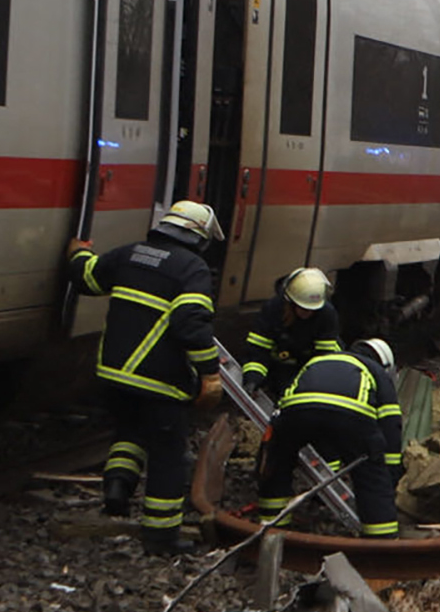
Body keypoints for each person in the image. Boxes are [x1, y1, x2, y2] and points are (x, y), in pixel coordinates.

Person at [64, 202, 225, 555]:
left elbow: (87, 278)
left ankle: (117, 488)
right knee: (168, 455)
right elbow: (190, 323)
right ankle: (161, 536)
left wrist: (78, 253)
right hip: (159, 380)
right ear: (199, 237)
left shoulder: (129, 253)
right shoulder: (192, 268)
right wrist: (210, 373)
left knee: (129, 432)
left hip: (114, 373)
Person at [264, 335, 405, 539]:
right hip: (351, 416)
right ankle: (381, 540)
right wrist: (389, 472)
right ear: (385, 365)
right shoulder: (375, 370)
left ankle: (271, 530)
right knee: (371, 478)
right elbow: (390, 425)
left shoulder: (318, 361)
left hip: (296, 412)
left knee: (278, 461)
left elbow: (307, 407)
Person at [238, 267, 344, 402]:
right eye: (303, 308)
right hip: (279, 364)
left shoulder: (326, 315)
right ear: (291, 302)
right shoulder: (274, 309)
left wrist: (304, 388)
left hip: (308, 365)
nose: (308, 313)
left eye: (312, 310)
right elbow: (257, 350)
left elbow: (324, 358)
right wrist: (252, 380)